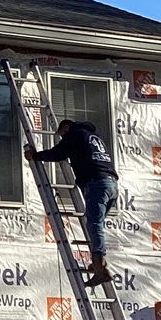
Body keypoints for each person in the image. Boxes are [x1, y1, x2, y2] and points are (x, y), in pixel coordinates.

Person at [26, 116, 120, 285]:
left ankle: (100, 267)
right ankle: (98, 262)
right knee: (95, 224)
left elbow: (58, 153)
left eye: (62, 134)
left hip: (96, 182)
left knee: (94, 224)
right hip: (111, 184)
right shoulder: (93, 137)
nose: (62, 138)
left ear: (67, 127)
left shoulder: (75, 134)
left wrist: (35, 156)